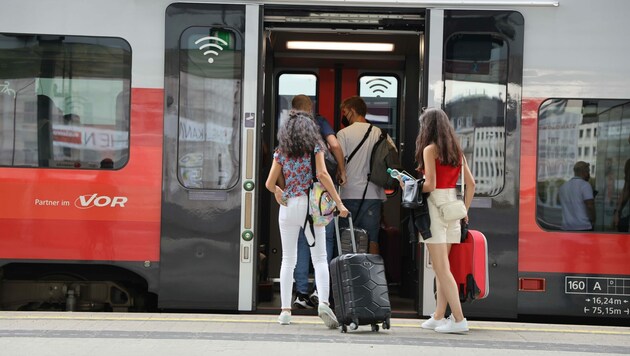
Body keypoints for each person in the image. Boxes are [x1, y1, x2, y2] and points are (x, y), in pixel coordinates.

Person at [265, 110, 349, 327]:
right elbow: (322, 175)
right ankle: (323, 303)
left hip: (289, 206)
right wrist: (339, 203)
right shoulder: (316, 147)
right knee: (320, 258)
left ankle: (285, 311)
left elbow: (269, 183)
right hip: (312, 207)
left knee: (288, 259)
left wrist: (277, 192)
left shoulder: (281, 151)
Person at [414, 108, 475, 333]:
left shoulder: (430, 150)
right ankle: (439, 316)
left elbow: (429, 185)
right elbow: (472, 184)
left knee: (441, 267)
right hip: (452, 208)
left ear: (428, 127)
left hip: (435, 208)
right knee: (443, 267)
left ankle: (458, 320)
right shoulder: (457, 152)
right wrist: (464, 210)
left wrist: (410, 185)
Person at [290, 94, 346, 309]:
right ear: (310, 108)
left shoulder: (288, 129)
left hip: (298, 193)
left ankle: (301, 293)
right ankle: (320, 292)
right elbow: (335, 145)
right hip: (321, 193)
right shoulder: (319, 123)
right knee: (326, 241)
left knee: (302, 241)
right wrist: (341, 170)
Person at [336, 96, 387, 254]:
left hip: (348, 193)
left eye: (344, 112)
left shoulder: (343, 134)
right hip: (373, 194)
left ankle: (348, 277)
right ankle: (372, 276)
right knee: (372, 239)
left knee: (346, 240)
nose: (343, 116)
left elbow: (339, 166)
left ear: (352, 111)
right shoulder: (379, 133)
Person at [558, 161, 595, 231]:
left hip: (566, 228)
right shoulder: (585, 185)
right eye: (588, 171)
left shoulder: (563, 187)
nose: (589, 174)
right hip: (583, 227)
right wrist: (593, 220)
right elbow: (590, 206)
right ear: (584, 172)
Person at [613, 159, 630, 232]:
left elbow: (623, 194)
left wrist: (617, 213)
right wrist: (617, 212)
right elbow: (624, 193)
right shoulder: (627, 182)